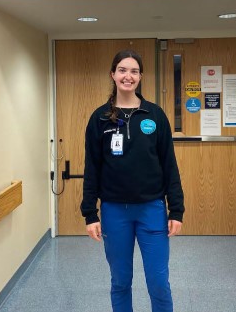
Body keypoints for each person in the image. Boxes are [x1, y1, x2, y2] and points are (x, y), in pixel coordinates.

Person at [81, 49, 184, 312]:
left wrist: (176, 209)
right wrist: (90, 213)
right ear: (113, 75)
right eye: (123, 70)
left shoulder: (155, 115)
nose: (129, 76)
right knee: (120, 282)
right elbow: (92, 167)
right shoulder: (100, 118)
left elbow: (169, 165)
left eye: (134, 71)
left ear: (141, 76)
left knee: (159, 282)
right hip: (115, 212)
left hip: (152, 209)